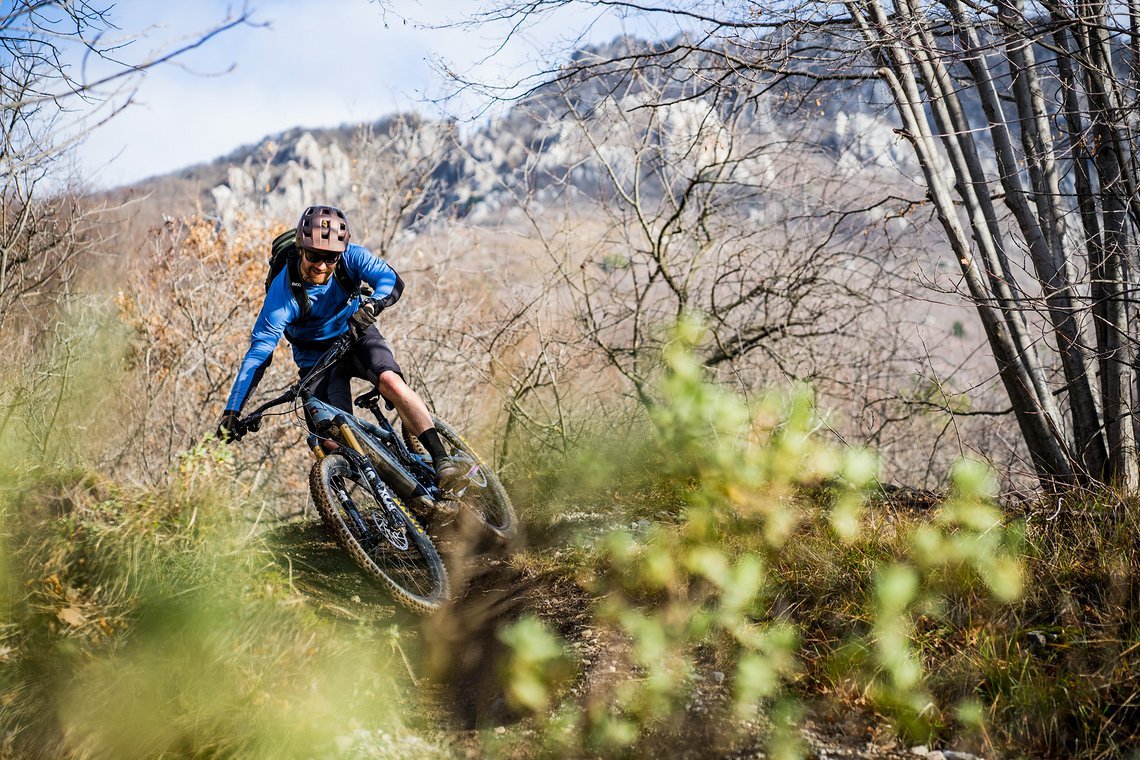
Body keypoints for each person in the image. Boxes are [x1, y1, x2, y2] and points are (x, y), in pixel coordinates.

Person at [216, 204, 465, 490]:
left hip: (357, 333)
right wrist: (232, 412)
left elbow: (390, 279)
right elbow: (258, 355)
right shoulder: (283, 293)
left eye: (330, 257)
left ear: (340, 254)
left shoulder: (351, 258)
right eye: (313, 256)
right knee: (334, 439)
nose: (321, 265)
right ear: (300, 249)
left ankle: (442, 459)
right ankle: (372, 511)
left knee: (390, 381)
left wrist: (372, 305)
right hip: (316, 359)